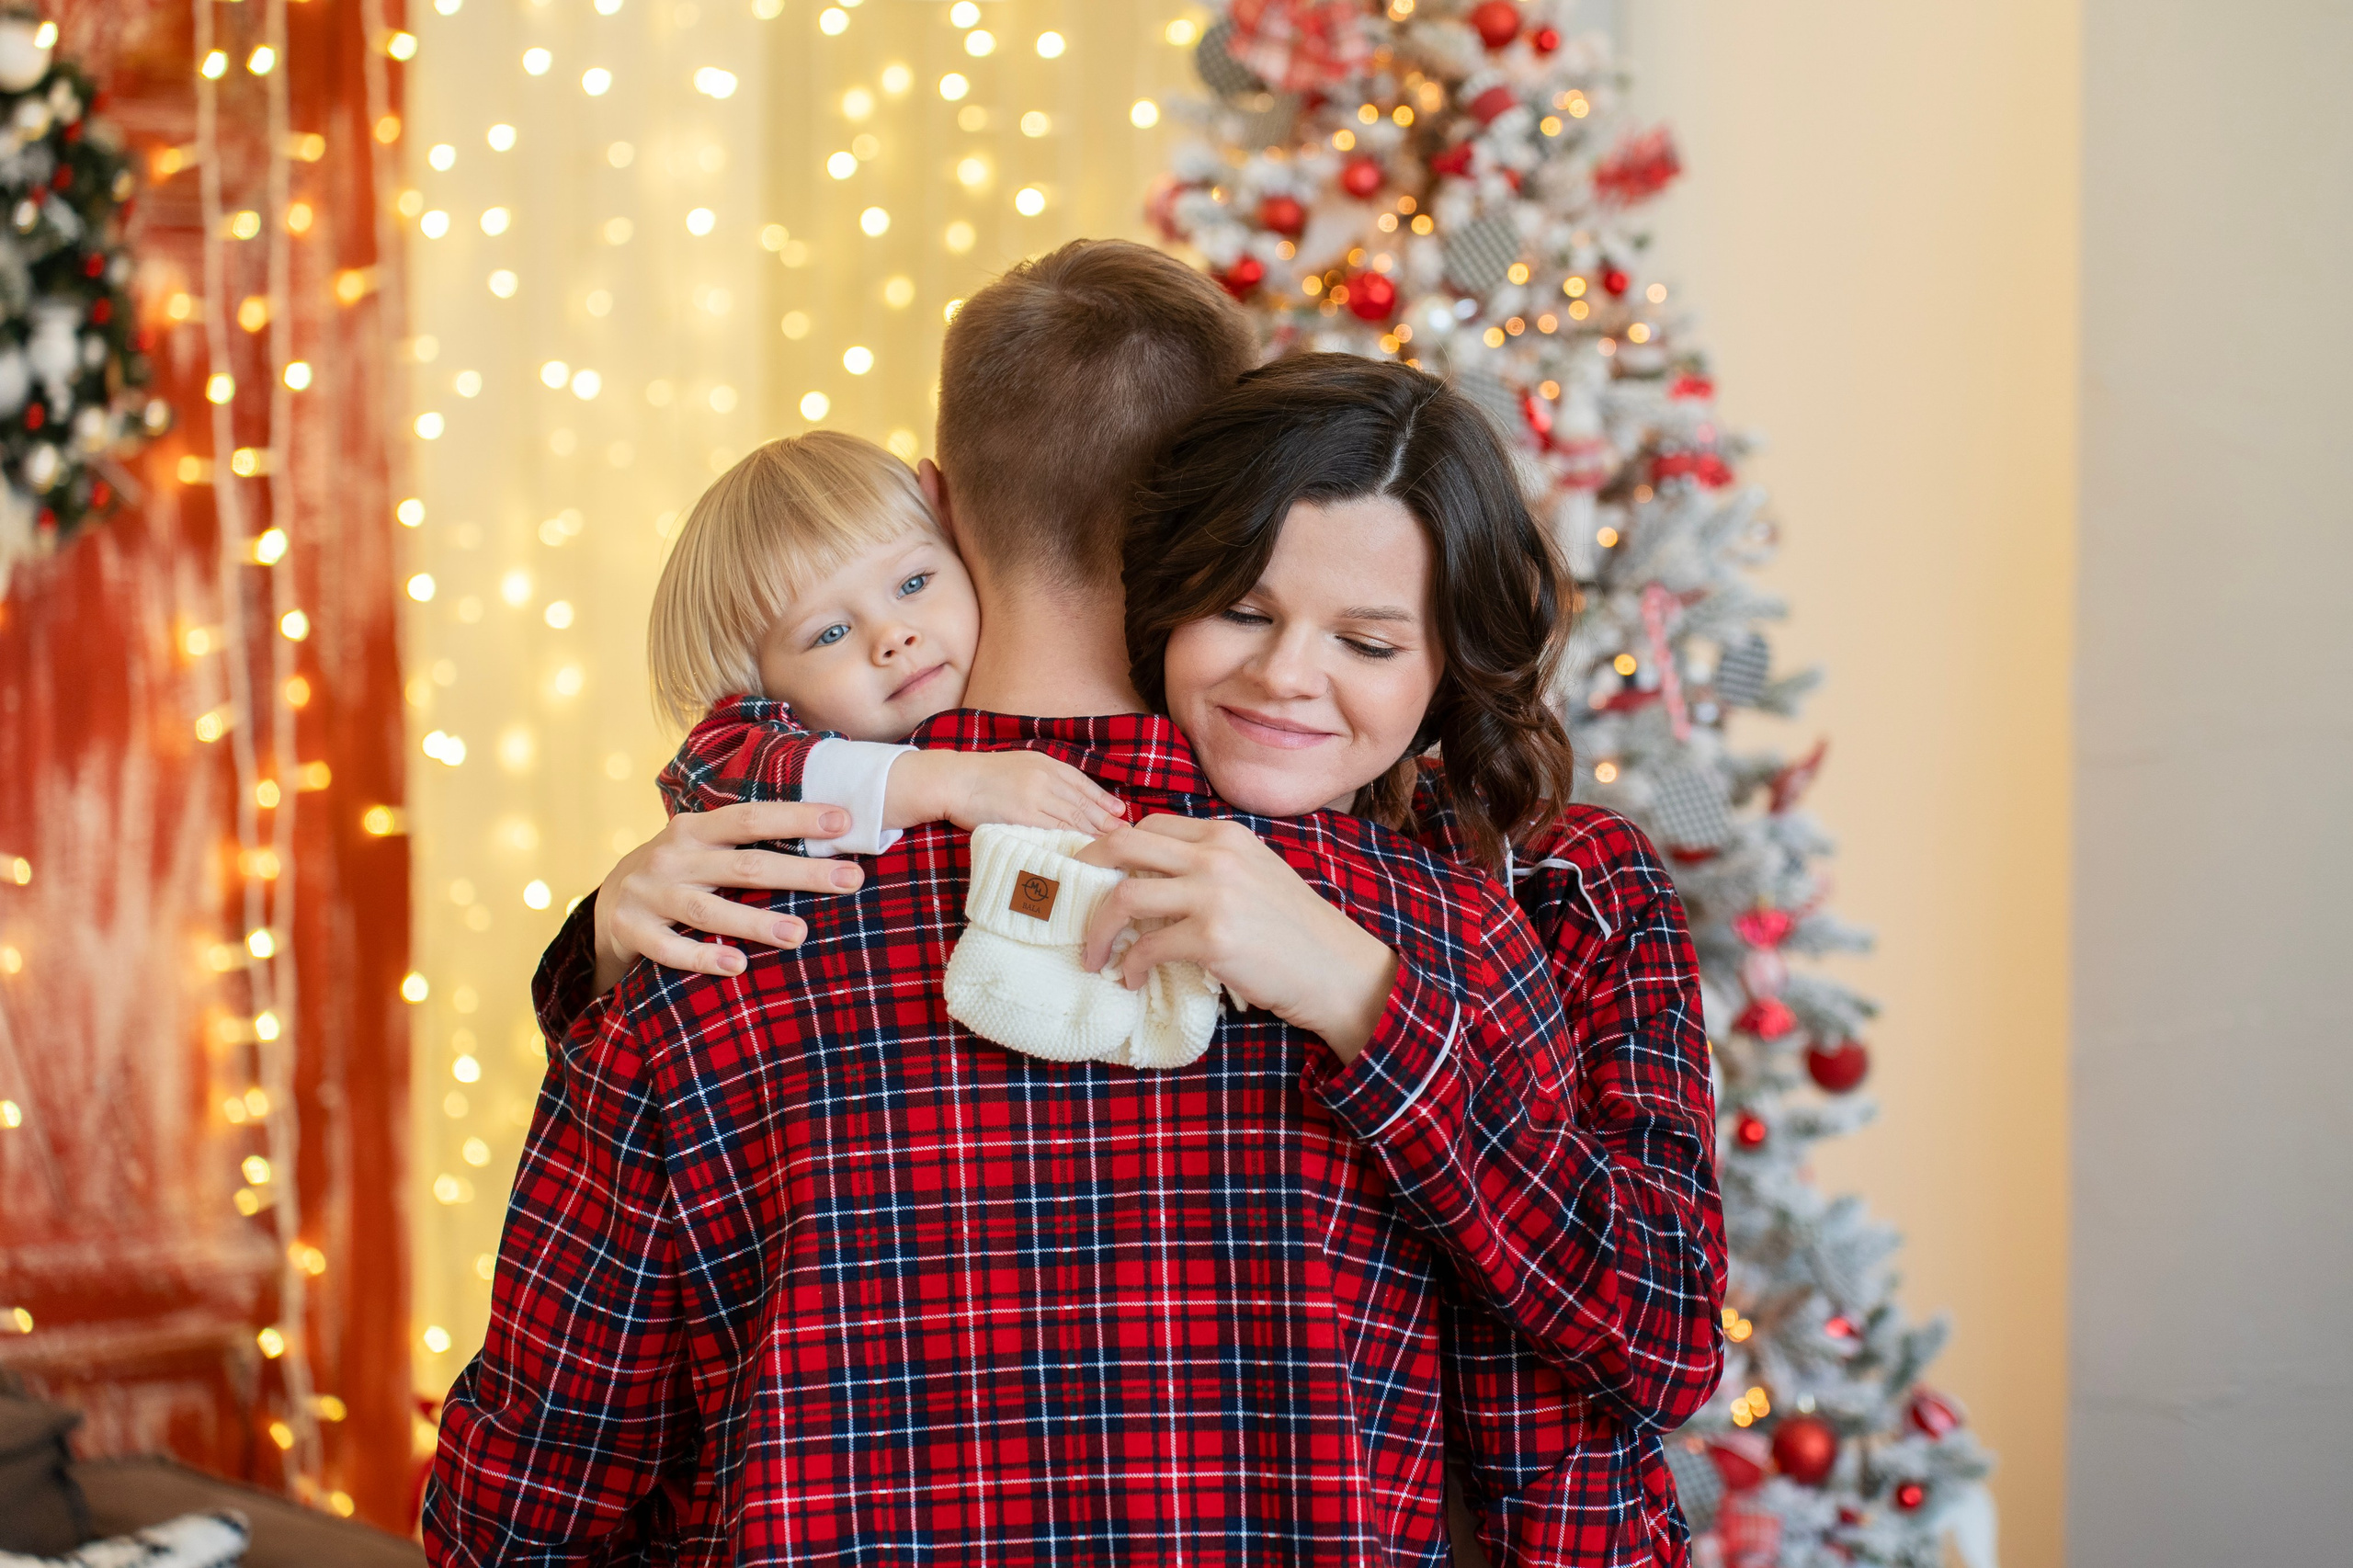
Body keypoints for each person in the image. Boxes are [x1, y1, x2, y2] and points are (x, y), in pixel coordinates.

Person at [427, 244, 1720, 1566]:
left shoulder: (716, 924)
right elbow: (1573, 1458)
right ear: (1219, 512)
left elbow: (514, 1515)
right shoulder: (1452, 935)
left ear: (936, 498)